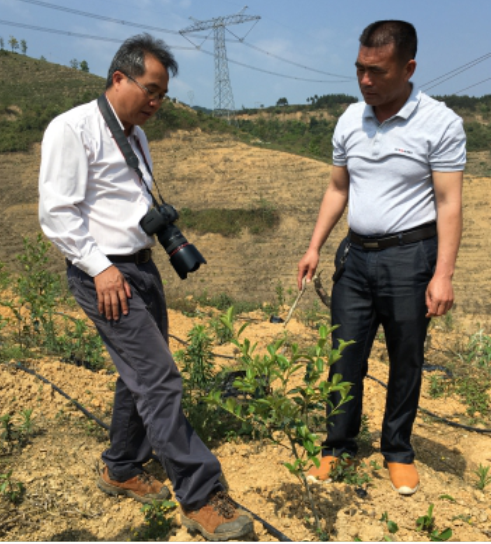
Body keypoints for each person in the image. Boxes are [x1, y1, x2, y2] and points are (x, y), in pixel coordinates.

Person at [39, 34, 253, 541]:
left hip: (139, 266)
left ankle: (121, 465)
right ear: (119, 78)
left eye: (162, 95)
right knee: (159, 379)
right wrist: (100, 269)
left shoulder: (134, 135)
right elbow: (56, 213)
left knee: (138, 374)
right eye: (150, 90)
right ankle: (201, 496)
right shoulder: (73, 128)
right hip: (105, 275)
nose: (156, 102)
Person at [297, 20, 465, 495]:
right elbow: (338, 188)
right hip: (355, 258)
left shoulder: (440, 123)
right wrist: (314, 246)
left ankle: (397, 450)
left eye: (377, 71)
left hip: (410, 259)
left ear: (408, 68)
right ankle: (337, 446)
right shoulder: (350, 119)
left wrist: (443, 274)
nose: (365, 80)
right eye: (359, 69)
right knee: (343, 355)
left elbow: (449, 202)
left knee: (405, 357)